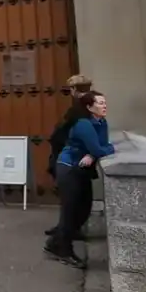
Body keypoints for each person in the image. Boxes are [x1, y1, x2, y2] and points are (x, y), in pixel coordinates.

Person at [46, 90, 114, 267]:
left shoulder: (101, 122)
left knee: (84, 208)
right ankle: (63, 250)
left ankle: (55, 242)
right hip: (69, 169)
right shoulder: (84, 124)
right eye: (99, 103)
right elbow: (102, 148)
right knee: (70, 212)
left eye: (104, 102)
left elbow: (103, 145)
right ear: (89, 107)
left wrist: (95, 153)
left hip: (82, 170)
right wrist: (98, 152)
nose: (104, 105)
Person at [44, 74, 94, 242]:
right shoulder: (86, 106)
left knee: (74, 198)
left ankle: (65, 234)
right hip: (74, 156)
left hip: (71, 157)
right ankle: (66, 228)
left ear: (74, 90)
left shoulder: (81, 108)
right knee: (75, 197)